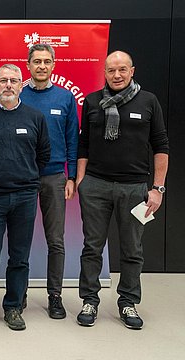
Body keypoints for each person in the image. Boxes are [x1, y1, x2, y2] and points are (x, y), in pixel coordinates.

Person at [76, 51, 169, 330]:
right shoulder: (92, 102)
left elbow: (161, 145)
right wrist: (81, 181)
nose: (117, 75)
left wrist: (158, 188)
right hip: (95, 185)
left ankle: (128, 302)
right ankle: (89, 300)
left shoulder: (149, 101)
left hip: (134, 188)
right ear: (104, 72)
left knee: (132, 249)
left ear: (132, 70)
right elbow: (84, 144)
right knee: (92, 247)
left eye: (122, 70)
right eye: (111, 70)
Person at [0, 64, 50, 332]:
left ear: (20, 85)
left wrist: (26, 179)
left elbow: (43, 155)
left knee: (19, 257)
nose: (8, 85)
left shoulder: (35, 117)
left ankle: (13, 307)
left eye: (14, 80)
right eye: (3, 80)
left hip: (25, 198)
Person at [20, 43, 79, 319]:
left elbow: (72, 140)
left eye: (46, 61)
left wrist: (71, 176)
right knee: (22, 239)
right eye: (37, 61)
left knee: (56, 240)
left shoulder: (65, 98)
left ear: (53, 65)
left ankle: (55, 295)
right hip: (23, 177)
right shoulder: (19, 95)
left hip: (55, 177)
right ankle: (18, 294)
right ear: (28, 65)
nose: (42, 66)